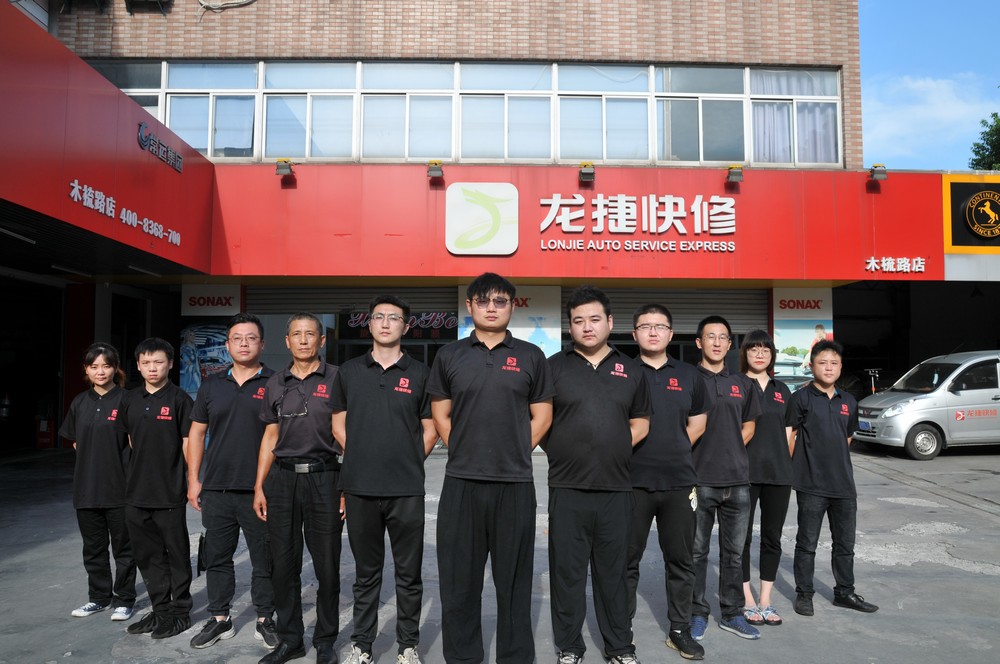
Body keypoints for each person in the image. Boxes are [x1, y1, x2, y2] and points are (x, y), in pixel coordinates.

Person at [426, 272, 554, 664]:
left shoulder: (531, 356)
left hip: (514, 484)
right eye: (483, 301)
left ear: (512, 306)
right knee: (459, 581)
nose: (492, 308)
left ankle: (514, 657)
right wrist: (463, 448)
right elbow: (440, 413)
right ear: (470, 306)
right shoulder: (449, 355)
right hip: (461, 483)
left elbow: (543, 415)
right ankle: (463, 657)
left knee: (514, 583)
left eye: (500, 301)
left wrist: (514, 451)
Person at [543, 285, 649, 664]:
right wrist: (560, 450)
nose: (587, 327)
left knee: (613, 574)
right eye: (578, 321)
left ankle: (620, 647)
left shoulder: (631, 370)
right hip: (567, 487)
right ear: (570, 326)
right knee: (567, 574)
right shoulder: (552, 368)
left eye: (594, 319)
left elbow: (641, 422)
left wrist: (615, 445)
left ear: (610, 322)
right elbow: (540, 421)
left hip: (616, 488)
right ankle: (570, 646)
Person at [332, 295, 438, 664]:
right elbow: (338, 423)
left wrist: (407, 460)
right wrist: (362, 457)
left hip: (406, 489)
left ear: (405, 326)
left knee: (409, 574)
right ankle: (362, 645)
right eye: (379, 317)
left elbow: (430, 428)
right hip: (360, 487)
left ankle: (408, 646)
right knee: (366, 574)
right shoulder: (349, 371)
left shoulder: (421, 373)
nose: (386, 323)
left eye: (394, 318)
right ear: (370, 323)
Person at [254, 313, 342, 664]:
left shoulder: (338, 379)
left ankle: (325, 641)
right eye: (296, 334)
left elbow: (349, 434)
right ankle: (291, 640)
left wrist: (347, 487)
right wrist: (259, 486)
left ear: (322, 340)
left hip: (325, 478)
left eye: (310, 334)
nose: (303, 340)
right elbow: (269, 437)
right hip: (282, 480)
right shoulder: (276, 383)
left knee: (327, 566)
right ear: (286, 341)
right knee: (283, 565)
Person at [186, 313, 278, 651]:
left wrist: (266, 485)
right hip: (217, 488)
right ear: (227, 345)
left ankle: (265, 618)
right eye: (237, 338)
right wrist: (194, 479)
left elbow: (279, 435)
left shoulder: (275, 383)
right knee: (217, 558)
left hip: (260, 490)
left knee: (264, 559)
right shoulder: (211, 386)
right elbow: (197, 434)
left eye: (251, 338)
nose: (244, 343)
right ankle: (220, 618)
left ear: (262, 344)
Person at [626, 305, 709, 661]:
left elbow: (698, 423)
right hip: (631, 481)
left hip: (679, 482)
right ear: (634, 334)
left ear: (671, 334)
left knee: (680, 560)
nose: (653, 332)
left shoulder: (690, 375)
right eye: (645, 326)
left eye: (660, 326)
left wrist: (672, 447)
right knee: (625, 560)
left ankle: (679, 629)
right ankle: (620, 629)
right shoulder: (623, 372)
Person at [787, 340, 878, 617]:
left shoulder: (848, 401)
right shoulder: (800, 398)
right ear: (812, 366)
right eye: (823, 362)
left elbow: (847, 438)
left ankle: (845, 593)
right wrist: (799, 468)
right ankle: (804, 595)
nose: (828, 368)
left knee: (845, 545)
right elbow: (790, 436)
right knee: (807, 544)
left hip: (843, 486)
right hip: (811, 485)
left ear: (840, 367)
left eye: (834, 363)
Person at [689, 316, 761, 642]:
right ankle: (696, 613)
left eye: (723, 337)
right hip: (699, 480)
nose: (717, 342)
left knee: (733, 554)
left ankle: (732, 614)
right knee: (696, 553)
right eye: (710, 336)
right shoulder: (688, 380)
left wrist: (728, 449)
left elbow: (749, 426)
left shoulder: (743, 383)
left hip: (738, 482)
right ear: (699, 342)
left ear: (730, 344)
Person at [119, 337, 195, 639]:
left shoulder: (180, 400)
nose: (152, 368)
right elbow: (129, 440)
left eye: (159, 362)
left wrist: (191, 481)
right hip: (136, 493)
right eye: (146, 363)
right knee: (147, 555)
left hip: (169, 492)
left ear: (170, 364)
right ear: (138, 366)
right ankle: (160, 610)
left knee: (176, 554)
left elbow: (189, 444)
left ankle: (180, 612)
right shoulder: (129, 399)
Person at [60, 342, 137, 622]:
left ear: (116, 368)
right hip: (87, 489)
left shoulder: (127, 400)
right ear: (86, 370)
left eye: (106, 366)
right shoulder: (79, 403)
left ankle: (125, 599)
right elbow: (76, 442)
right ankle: (99, 598)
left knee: (124, 549)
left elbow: (136, 444)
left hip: (120, 489)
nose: (100, 372)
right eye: (94, 367)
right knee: (93, 549)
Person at [738, 330, 792, 628]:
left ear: (772, 355)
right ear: (744, 353)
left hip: (778, 476)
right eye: (753, 349)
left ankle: (766, 600)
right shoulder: (735, 385)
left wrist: (785, 465)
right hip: (743, 475)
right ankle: (747, 599)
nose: (759, 354)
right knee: (741, 538)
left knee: (772, 538)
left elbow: (789, 435)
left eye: (765, 349)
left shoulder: (782, 389)